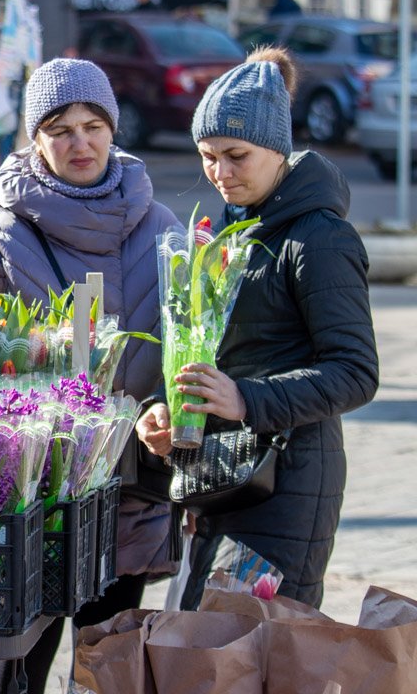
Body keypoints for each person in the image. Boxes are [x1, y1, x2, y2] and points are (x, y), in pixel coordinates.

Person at [0, 58, 181, 693]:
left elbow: (187, 348)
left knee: (111, 664)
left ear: (113, 131)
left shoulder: (161, 227)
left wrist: (171, 412)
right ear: (35, 140)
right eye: (60, 130)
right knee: (18, 666)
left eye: (93, 126)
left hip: (132, 484)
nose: (80, 143)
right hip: (31, 495)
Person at [136, 46, 378, 609]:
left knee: (249, 659)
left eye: (235, 155)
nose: (219, 173)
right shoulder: (230, 230)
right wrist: (163, 403)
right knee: (212, 653)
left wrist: (244, 399)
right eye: (207, 156)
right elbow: (208, 348)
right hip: (220, 478)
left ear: (277, 150)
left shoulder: (319, 237)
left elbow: (356, 372)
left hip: (286, 487)